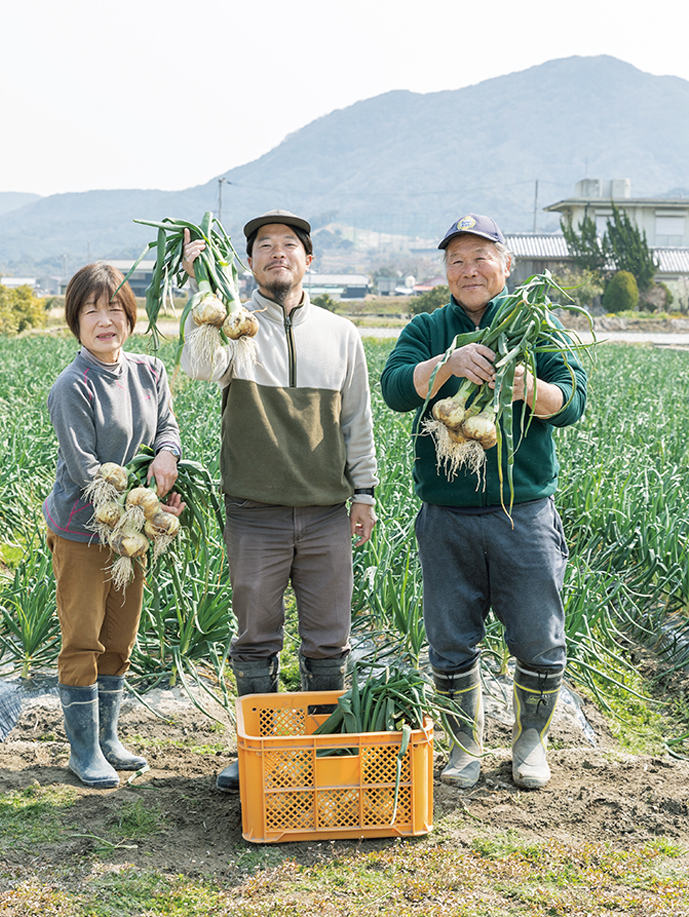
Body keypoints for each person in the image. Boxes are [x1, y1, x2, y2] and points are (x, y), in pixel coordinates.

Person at [380, 214, 587, 790]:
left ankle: (529, 744)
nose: (468, 270)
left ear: (507, 263)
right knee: (449, 638)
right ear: (445, 270)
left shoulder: (538, 328)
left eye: (480, 257)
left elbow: (572, 402)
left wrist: (530, 388)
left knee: (539, 636)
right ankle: (464, 746)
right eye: (456, 261)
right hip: (445, 515)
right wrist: (446, 365)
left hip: (523, 513)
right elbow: (395, 388)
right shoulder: (427, 327)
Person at [181, 209, 379, 793]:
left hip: (325, 514)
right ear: (248, 264)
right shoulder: (237, 329)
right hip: (254, 513)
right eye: (263, 246)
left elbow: (357, 422)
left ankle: (325, 749)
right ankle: (257, 750)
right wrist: (205, 292)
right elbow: (198, 366)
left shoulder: (341, 334)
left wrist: (363, 492)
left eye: (288, 245)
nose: (276, 253)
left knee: (328, 638)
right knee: (256, 636)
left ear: (307, 260)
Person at [44, 262, 184, 789]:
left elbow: (166, 424)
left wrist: (167, 455)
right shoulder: (73, 385)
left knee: (120, 634)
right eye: (91, 310)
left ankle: (108, 738)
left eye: (114, 309)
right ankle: (83, 750)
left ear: (130, 316)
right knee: (84, 638)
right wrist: (150, 508)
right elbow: (86, 472)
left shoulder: (149, 371)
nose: (105, 320)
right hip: (85, 529)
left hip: (132, 532)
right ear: (75, 321)